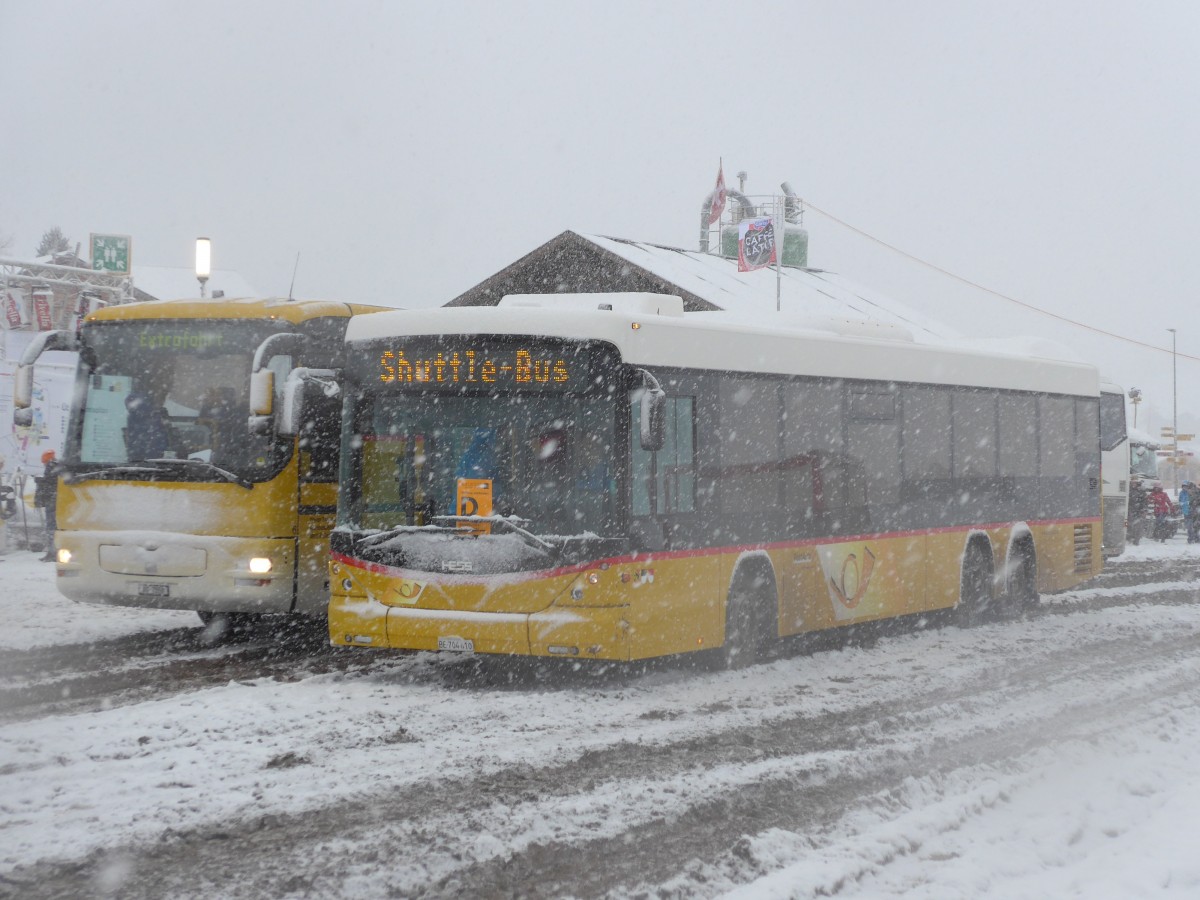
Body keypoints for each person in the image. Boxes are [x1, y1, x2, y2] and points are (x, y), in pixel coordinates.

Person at [33, 450, 60, 561]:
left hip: (52, 501)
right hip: (55, 500)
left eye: (44, 462)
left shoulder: (51, 467)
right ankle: (54, 552)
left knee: (51, 528)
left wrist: (41, 481)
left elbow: (50, 484)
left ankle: (52, 553)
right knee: (54, 527)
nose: (43, 464)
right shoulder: (57, 466)